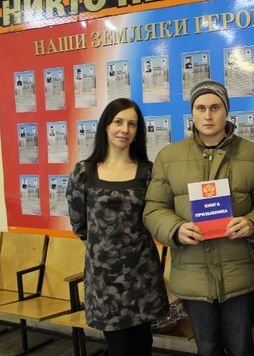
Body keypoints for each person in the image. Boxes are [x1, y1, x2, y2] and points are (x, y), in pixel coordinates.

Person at [143, 80, 254, 356]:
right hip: (193, 275)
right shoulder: (168, 157)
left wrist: (252, 222)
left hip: (239, 274)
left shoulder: (253, 155)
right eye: (201, 108)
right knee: (208, 348)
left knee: (241, 348)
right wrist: (175, 229)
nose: (208, 115)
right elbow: (154, 209)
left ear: (226, 110)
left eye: (215, 107)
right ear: (192, 112)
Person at [66, 98, 169, 356]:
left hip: (143, 277)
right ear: (106, 126)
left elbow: (158, 215)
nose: (125, 129)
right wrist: (107, 254)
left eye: (132, 124)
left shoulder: (149, 172)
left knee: (143, 346)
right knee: (119, 349)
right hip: (105, 282)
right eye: (118, 122)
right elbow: (80, 226)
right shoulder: (84, 172)